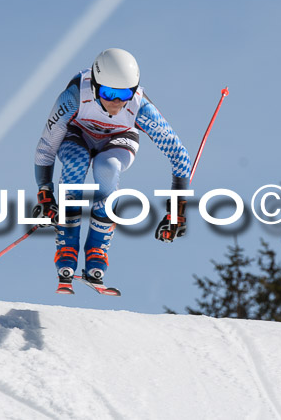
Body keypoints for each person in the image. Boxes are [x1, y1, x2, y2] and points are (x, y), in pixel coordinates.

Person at [32, 48, 191, 293]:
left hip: (118, 140)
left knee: (108, 167)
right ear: (95, 86)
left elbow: (179, 155)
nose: (117, 102)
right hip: (78, 135)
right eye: (109, 93)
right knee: (76, 163)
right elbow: (46, 148)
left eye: (125, 93)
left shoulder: (139, 106)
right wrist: (45, 193)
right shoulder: (74, 96)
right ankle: (67, 244)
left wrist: (177, 210)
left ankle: (97, 247)